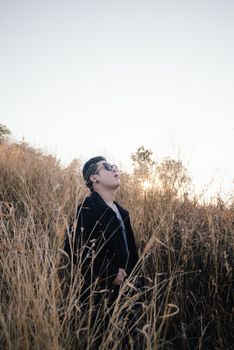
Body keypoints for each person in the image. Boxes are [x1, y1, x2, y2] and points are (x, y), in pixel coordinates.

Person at [64, 156, 143, 349]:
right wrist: (110, 273)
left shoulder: (122, 212)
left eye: (115, 166)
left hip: (128, 293)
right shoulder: (88, 208)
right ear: (94, 178)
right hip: (101, 296)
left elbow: (131, 252)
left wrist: (137, 284)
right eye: (108, 167)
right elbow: (76, 250)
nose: (115, 169)